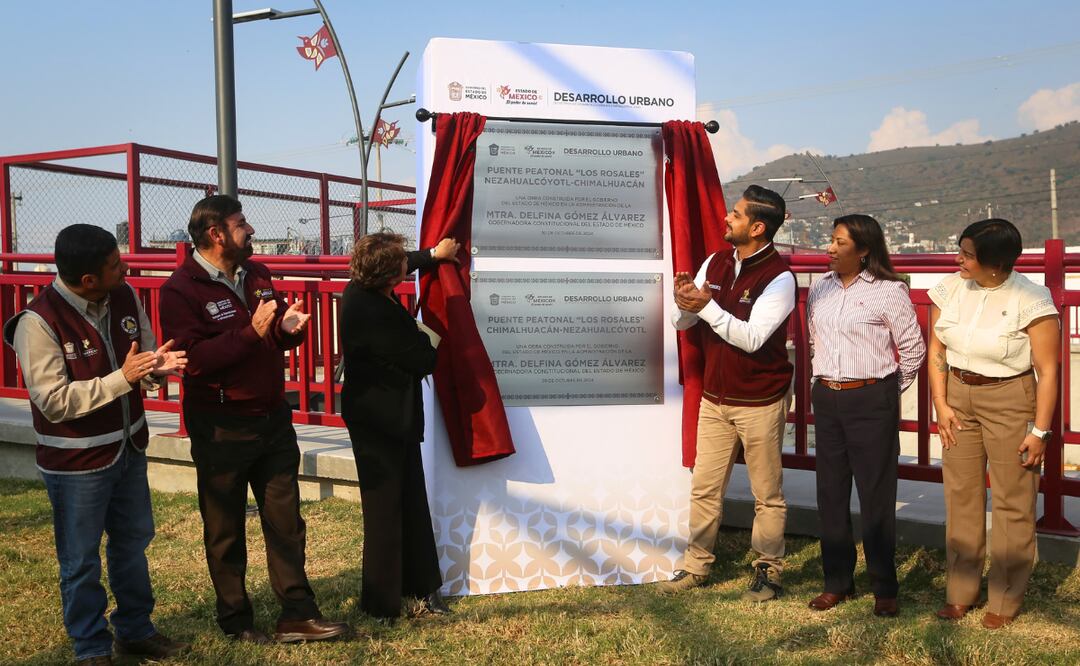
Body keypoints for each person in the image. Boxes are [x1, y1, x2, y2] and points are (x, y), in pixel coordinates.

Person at [160, 195, 348, 644]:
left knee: (287, 522)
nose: (251, 230)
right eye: (241, 223)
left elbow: (270, 334)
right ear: (216, 234)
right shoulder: (180, 290)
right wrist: (252, 332)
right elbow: (194, 360)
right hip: (221, 424)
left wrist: (284, 331)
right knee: (224, 529)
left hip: (272, 417)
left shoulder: (257, 274)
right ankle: (236, 621)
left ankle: (298, 614)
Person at [3, 224, 189, 664]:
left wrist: (156, 367)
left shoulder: (123, 296)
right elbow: (53, 402)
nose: (125, 269)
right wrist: (122, 379)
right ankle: (91, 648)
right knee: (81, 560)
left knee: (132, 545)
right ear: (88, 280)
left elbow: (141, 359)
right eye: (115, 265)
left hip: (128, 448)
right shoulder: (38, 322)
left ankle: (136, 631)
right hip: (76, 464)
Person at [660, 185, 795, 601]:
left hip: (760, 400)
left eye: (735, 214)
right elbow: (682, 323)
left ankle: (768, 570)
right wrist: (685, 303)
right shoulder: (716, 261)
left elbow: (752, 338)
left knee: (766, 494)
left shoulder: (780, 278)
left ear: (757, 228)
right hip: (715, 398)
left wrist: (706, 307)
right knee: (705, 487)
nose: (726, 218)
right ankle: (696, 565)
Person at [928, 218, 1059, 629]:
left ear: (996, 263)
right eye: (961, 251)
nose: (958, 260)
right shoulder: (949, 289)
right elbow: (937, 351)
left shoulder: (1031, 298)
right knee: (961, 496)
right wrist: (941, 404)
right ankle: (960, 591)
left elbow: (1048, 371)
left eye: (967, 255)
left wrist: (1039, 431)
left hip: (1010, 399)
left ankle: (1004, 597)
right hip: (957, 397)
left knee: (1012, 501)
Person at [805, 214, 925, 617]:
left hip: (872, 398)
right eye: (831, 240)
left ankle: (884, 587)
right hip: (827, 396)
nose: (830, 248)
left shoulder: (890, 291)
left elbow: (913, 350)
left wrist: (883, 392)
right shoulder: (819, 288)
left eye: (840, 243)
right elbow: (815, 341)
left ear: (864, 250)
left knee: (876, 495)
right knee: (830, 493)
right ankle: (836, 582)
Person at [338, 231, 459, 620]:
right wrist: (430, 334)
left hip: (391, 416)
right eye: (403, 262)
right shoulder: (374, 312)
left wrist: (433, 255)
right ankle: (381, 603)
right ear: (391, 276)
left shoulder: (360, 288)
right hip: (380, 421)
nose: (409, 263)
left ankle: (422, 587)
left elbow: (404, 259)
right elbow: (424, 360)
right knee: (385, 512)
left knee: (411, 503)